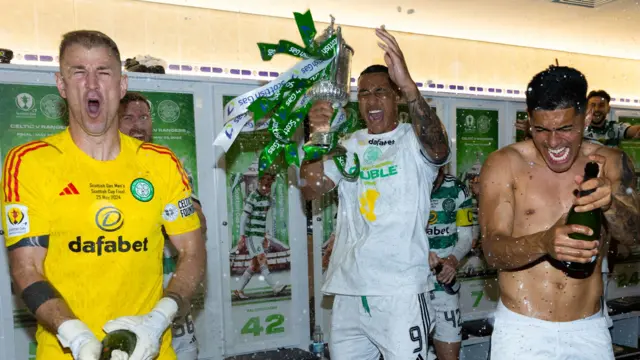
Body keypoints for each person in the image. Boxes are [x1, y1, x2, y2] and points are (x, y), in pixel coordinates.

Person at [0, 30, 206, 360]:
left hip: (149, 350)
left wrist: (159, 319)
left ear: (121, 86)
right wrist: (75, 334)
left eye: (104, 72)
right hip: (65, 352)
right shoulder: (28, 163)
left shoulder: (160, 163)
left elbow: (193, 252)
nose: (92, 84)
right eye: (79, 71)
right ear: (61, 85)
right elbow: (27, 267)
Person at [300, 26, 451, 360]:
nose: (372, 100)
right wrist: (316, 137)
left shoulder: (414, 139)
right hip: (350, 291)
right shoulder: (348, 144)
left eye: (381, 91)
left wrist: (411, 86)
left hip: (399, 292)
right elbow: (311, 189)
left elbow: (439, 151)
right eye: (364, 93)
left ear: (396, 96)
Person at [480, 65, 639, 359]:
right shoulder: (504, 164)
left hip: (588, 329)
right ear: (529, 121)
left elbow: (635, 237)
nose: (553, 143)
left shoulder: (611, 162)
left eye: (565, 129)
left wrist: (610, 205)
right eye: (542, 129)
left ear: (587, 117)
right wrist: (542, 243)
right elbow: (491, 250)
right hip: (521, 330)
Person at [118, 92, 207, 360]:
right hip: (125, 294)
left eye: (143, 117)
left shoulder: (166, 164)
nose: (138, 125)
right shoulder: (102, 169)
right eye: (128, 117)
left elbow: (199, 223)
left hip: (170, 292)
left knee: (183, 352)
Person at [426, 167, 474, 360]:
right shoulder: (405, 183)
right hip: (411, 285)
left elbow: (466, 236)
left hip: (443, 282)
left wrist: (452, 261)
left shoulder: (457, 188)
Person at [234, 172, 287, 299]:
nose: (267, 188)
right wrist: (242, 236)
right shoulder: (253, 197)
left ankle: (238, 290)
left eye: (269, 186)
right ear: (259, 182)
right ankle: (275, 287)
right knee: (262, 259)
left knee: (254, 265)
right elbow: (244, 217)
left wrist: (264, 236)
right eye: (264, 185)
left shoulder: (267, 199)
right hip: (251, 236)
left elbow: (262, 218)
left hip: (259, 236)